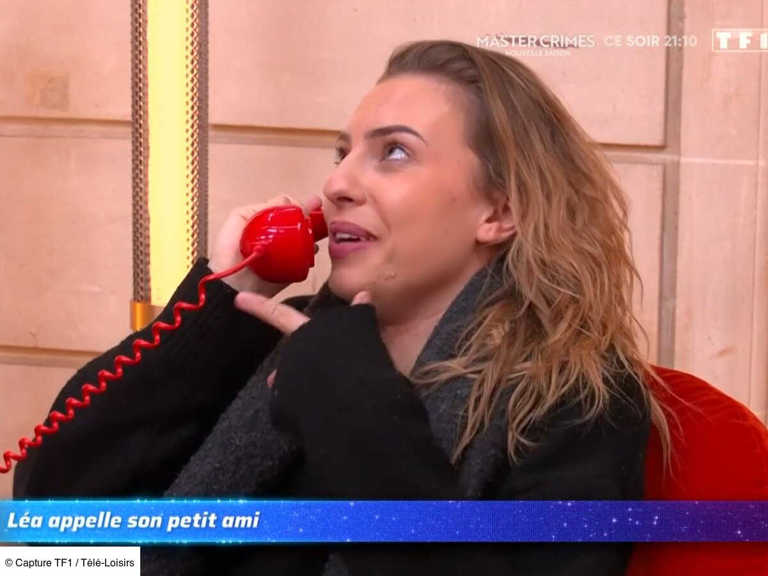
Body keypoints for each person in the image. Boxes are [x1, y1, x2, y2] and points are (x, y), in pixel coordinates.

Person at [13, 39, 669, 575]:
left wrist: (350, 406)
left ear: (500, 210)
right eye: (342, 153)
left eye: (394, 152)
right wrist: (226, 302)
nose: (337, 184)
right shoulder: (280, 341)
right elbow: (51, 515)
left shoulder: (574, 400)